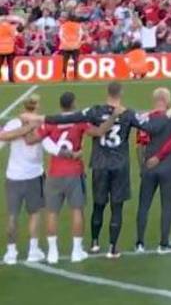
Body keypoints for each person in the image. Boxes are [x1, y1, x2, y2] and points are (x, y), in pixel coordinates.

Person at [43, 81, 143, 258]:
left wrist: (42, 119)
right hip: (119, 164)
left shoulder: (95, 111)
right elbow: (147, 124)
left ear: (107, 92)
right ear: (121, 93)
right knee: (116, 207)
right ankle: (113, 248)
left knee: (98, 205)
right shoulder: (128, 113)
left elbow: (70, 118)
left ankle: (94, 243)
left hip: (99, 163)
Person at [37, 91, 101, 264]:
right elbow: (96, 132)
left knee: (52, 213)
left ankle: (52, 252)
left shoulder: (51, 121)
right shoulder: (79, 121)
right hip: (74, 172)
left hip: (54, 173)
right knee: (77, 211)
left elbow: (40, 139)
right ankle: (76, 251)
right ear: (73, 104)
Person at [135, 87, 171, 252]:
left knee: (143, 205)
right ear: (167, 100)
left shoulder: (145, 118)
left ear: (154, 100)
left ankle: (139, 243)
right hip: (168, 166)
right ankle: (164, 243)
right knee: (167, 205)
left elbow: (139, 146)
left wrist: (142, 166)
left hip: (148, 166)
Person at [1, 96, 47, 265]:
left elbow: (2, 141)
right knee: (34, 213)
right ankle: (33, 250)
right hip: (34, 175)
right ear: (36, 106)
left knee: (13, 215)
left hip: (14, 176)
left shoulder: (13, 123)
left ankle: (11, 252)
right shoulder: (41, 123)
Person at [58, 12, 83, 81]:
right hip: (75, 46)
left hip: (66, 46)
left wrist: (64, 42)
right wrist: (77, 42)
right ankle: (76, 76)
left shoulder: (63, 25)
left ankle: (64, 76)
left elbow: (60, 35)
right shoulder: (78, 26)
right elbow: (80, 35)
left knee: (65, 61)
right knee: (76, 61)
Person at [0, 10, 21, 83]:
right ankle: (11, 79)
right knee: (10, 65)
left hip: (1, 48)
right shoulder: (10, 26)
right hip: (9, 48)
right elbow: (14, 36)